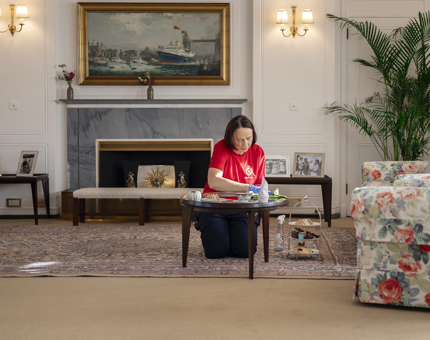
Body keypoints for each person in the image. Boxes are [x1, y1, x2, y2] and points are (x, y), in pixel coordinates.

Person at [196, 115, 265, 259]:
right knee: (216, 252)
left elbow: (260, 186)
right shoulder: (221, 147)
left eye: (249, 138)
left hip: (243, 208)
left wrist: (257, 192)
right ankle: (204, 222)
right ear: (230, 137)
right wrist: (248, 188)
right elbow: (214, 181)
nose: (245, 144)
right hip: (215, 206)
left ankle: (229, 236)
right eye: (239, 139)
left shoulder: (258, 152)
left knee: (245, 252)